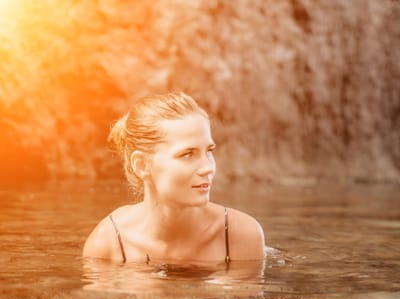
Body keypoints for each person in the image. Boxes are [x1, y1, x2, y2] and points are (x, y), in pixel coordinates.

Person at [83, 92, 265, 264]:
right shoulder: (108, 244)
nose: (207, 168)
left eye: (209, 151)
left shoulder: (240, 236)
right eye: (187, 154)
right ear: (142, 165)